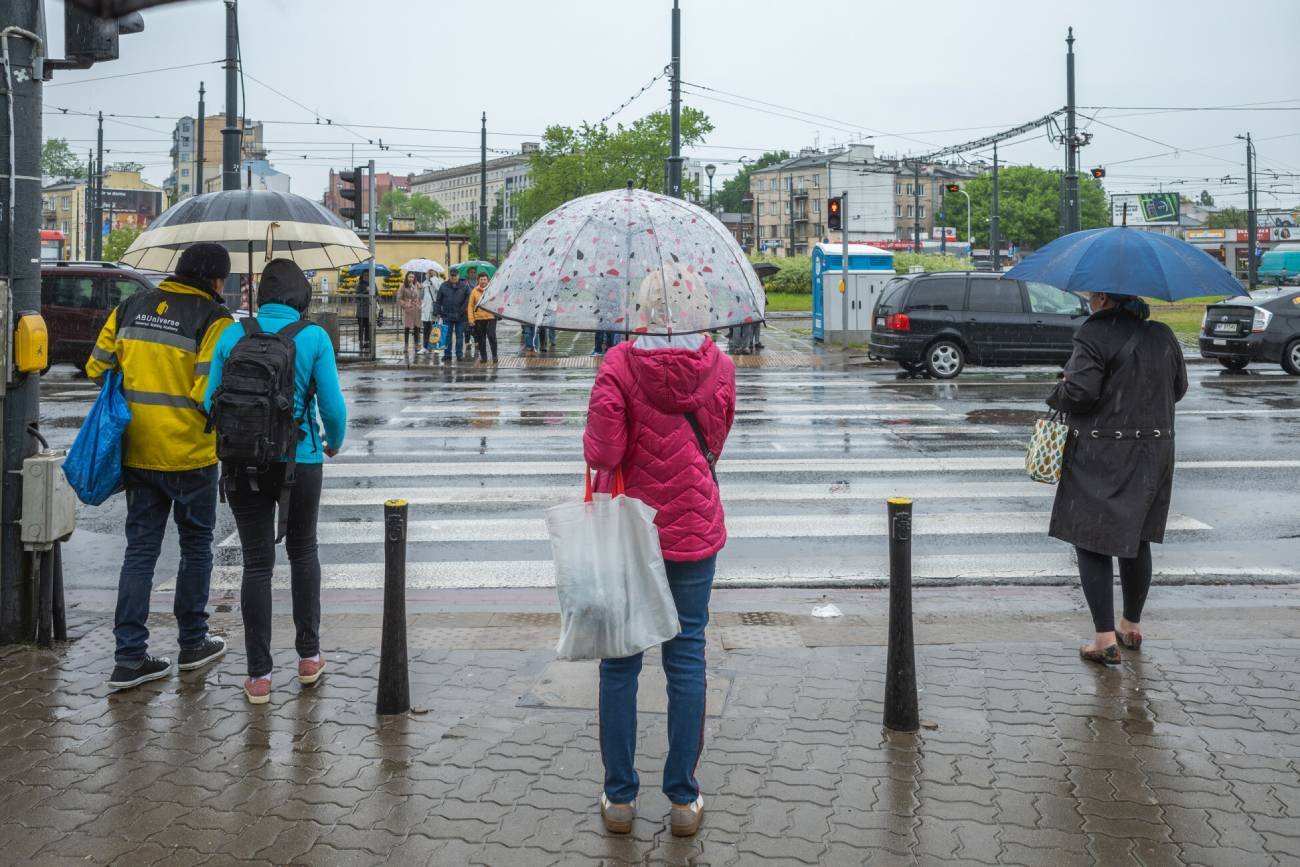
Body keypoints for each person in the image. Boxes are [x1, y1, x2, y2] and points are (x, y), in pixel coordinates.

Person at [583, 313, 737, 838]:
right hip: (693, 526)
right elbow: (716, 438)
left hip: (632, 531)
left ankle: (620, 798)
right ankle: (683, 799)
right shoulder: (720, 365)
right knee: (687, 655)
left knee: (621, 660)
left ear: (643, 312)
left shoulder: (619, 363)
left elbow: (603, 453)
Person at [86, 242, 235, 690]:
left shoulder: (132, 305)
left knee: (141, 552)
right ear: (215, 280)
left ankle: (129, 658)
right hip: (191, 455)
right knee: (196, 548)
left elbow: (97, 366)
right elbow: (207, 392)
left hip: (136, 450)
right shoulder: (214, 320)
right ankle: (192, 643)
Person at [204, 259, 347, 704]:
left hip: (243, 460)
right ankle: (308, 658)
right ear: (301, 296)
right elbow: (333, 408)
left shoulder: (232, 333)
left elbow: (210, 399)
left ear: (260, 293)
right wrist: (333, 443)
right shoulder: (313, 336)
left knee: (256, 563)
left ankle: (259, 677)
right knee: (303, 552)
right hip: (299, 462)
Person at [1046, 291, 1187, 666]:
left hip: (1102, 451)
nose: (1090, 301)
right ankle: (1132, 625)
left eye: (1093, 295)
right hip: (1154, 451)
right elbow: (1179, 389)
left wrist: (1057, 389)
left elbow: (1080, 391)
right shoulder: (1162, 334)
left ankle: (1104, 639)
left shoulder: (1093, 335)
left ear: (1105, 298)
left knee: (1090, 540)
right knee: (1137, 537)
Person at [435, 267, 471, 362]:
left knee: (459, 336)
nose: (454, 277)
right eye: (452, 275)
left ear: (458, 276)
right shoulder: (443, 286)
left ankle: (459, 354)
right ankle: (447, 355)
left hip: (460, 316)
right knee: (447, 336)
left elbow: (468, 298)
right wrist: (437, 312)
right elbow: (438, 300)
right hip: (447, 315)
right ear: (449, 276)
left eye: (455, 275)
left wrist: (462, 310)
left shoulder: (464, 286)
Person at [467, 272, 499, 364]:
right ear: (478, 280)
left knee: (491, 336)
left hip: (491, 317)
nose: (483, 281)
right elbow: (470, 306)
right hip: (479, 318)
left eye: (485, 279)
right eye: (481, 279)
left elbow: (497, 302)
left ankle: (494, 355)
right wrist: (471, 320)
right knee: (481, 339)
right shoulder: (474, 291)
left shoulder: (492, 290)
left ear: (488, 280)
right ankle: (483, 357)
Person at [398, 271, 422, 353]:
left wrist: (420, 304)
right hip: (408, 309)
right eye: (409, 276)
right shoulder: (403, 286)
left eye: (412, 277)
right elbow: (399, 298)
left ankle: (416, 345)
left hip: (416, 308)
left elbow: (420, 296)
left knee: (416, 328)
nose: (411, 278)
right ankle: (406, 345)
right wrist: (405, 305)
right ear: (407, 277)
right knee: (407, 327)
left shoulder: (417, 285)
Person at [419, 272, 438, 353]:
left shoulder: (438, 281)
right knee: (426, 329)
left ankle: (434, 347)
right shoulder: (424, 283)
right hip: (426, 309)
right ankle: (425, 347)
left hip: (434, 309)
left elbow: (438, 289)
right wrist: (420, 289)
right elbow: (421, 296)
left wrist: (433, 279)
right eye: (427, 273)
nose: (428, 275)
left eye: (430, 273)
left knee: (435, 329)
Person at [354, 271, 373, 353]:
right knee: (361, 327)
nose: (366, 276)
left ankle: (367, 342)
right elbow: (357, 296)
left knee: (368, 327)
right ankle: (361, 342)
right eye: (365, 275)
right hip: (361, 309)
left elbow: (377, 294)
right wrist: (366, 291)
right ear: (362, 276)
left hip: (370, 309)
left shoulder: (372, 284)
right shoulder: (359, 285)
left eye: (368, 275)